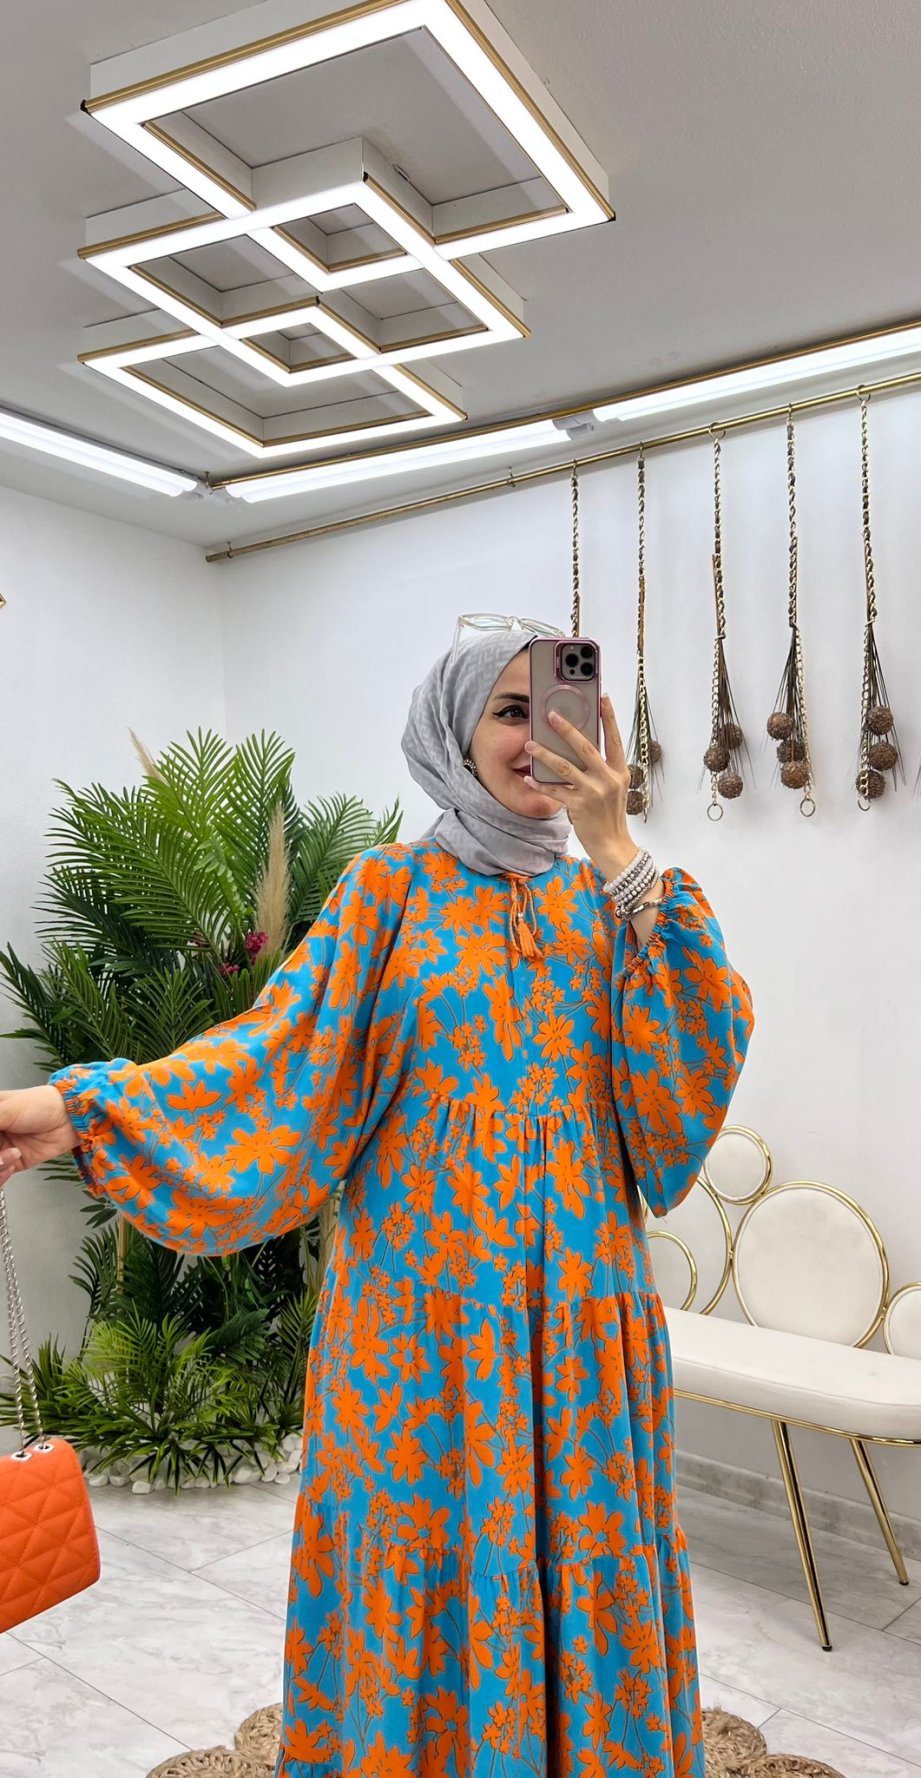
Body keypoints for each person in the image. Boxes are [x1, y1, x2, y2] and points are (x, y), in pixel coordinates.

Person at [0, 618, 753, 1778]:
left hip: (578, 1341)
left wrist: (617, 847)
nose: (537, 734)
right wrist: (77, 1108)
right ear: (453, 729)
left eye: (556, 707)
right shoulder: (389, 892)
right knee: (414, 1570)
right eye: (508, 709)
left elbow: (686, 1085)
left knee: (585, 1565)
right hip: (418, 1344)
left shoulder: (620, 906)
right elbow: (275, 1061)